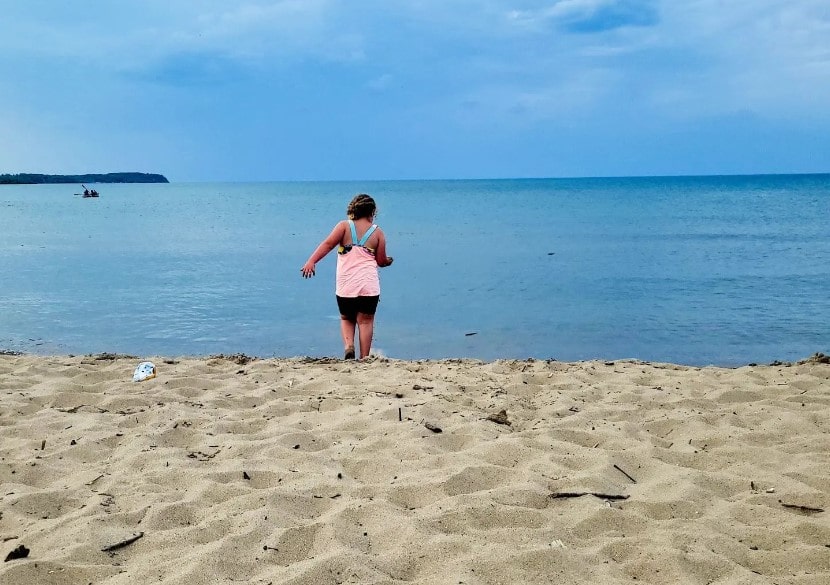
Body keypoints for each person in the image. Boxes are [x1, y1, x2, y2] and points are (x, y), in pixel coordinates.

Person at [301, 194, 393, 359]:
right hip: (368, 286)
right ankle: (364, 357)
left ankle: (349, 346)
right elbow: (380, 261)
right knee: (366, 321)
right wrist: (388, 261)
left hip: (346, 285)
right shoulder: (378, 233)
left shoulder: (343, 226)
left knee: (346, 317)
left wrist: (311, 261)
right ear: (371, 212)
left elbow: (327, 244)